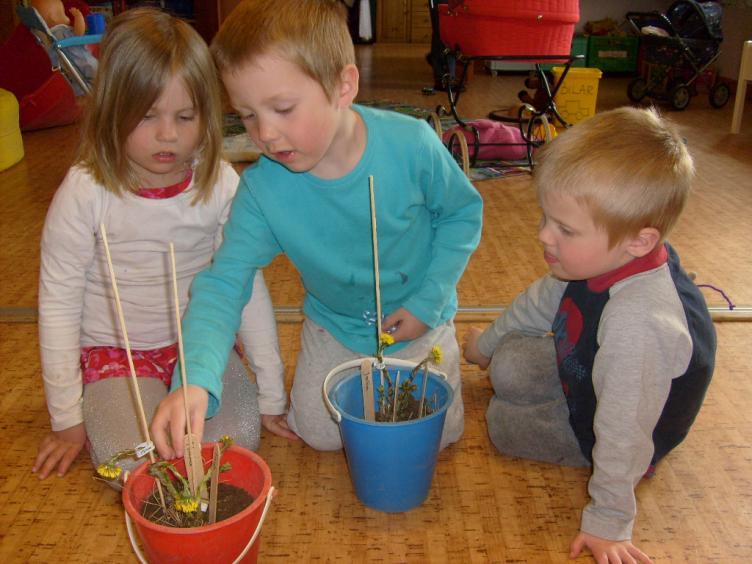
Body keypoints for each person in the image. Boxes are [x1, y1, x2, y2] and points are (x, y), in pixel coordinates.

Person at [150, 0, 483, 458]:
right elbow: (223, 283)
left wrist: (429, 302)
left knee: (434, 435)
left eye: (283, 108)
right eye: (246, 115)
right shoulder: (262, 190)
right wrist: (193, 379)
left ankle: (484, 346)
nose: (264, 134)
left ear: (343, 86)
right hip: (336, 327)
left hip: (418, 322)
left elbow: (463, 215)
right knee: (322, 434)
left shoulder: (412, 145)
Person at [33, 7, 283, 482]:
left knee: (234, 444)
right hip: (116, 355)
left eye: (185, 116)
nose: (168, 134)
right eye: (148, 116)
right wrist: (67, 420)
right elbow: (59, 305)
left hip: (199, 352)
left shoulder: (220, 186)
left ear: (207, 116)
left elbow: (243, 288)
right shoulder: (85, 193)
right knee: (134, 462)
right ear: (112, 112)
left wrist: (272, 394)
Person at [463, 106, 715, 563]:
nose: (543, 235)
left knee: (503, 423)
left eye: (564, 229)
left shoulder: (639, 323)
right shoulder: (597, 255)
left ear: (639, 241)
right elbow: (539, 302)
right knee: (508, 363)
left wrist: (609, 521)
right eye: (546, 217)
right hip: (600, 369)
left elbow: (623, 427)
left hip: (632, 420)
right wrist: (484, 347)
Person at [30, 0, 98, 93]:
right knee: (98, 69)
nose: (66, 16)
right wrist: (78, 17)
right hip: (81, 60)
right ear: (54, 18)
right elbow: (79, 34)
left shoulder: (48, 36)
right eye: (62, 13)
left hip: (69, 71)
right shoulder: (60, 31)